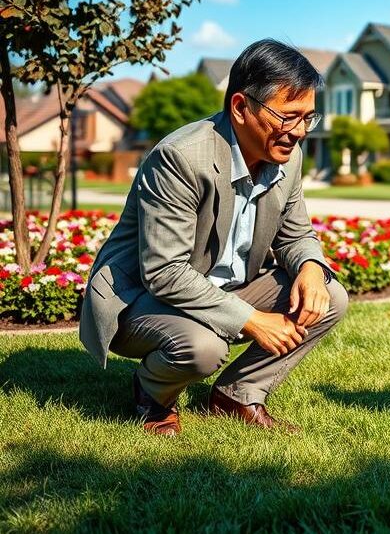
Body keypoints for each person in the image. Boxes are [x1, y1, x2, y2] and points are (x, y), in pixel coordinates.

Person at [79, 39, 348, 436]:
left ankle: (237, 395)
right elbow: (164, 272)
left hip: (219, 290)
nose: (299, 132)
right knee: (205, 347)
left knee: (329, 297)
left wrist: (310, 266)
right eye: (288, 117)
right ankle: (151, 394)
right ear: (241, 108)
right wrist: (252, 320)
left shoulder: (286, 157)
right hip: (139, 299)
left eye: (308, 118)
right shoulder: (182, 157)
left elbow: (296, 234)